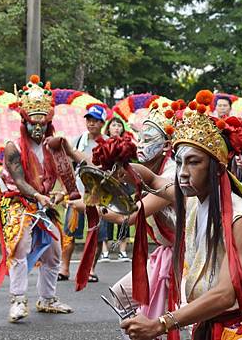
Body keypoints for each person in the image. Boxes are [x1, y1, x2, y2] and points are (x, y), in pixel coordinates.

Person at [117, 91, 242, 340]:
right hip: (206, 326)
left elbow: (224, 294)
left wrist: (161, 324)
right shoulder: (196, 202)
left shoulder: (240, 220)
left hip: (238, 331)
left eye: (194, 162)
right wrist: (127, 170)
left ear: (217, 168)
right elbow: (155, 180)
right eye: (179, 162)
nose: (183, 172)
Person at [0, 75, 83, 322]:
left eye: (42, 124)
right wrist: (40, 196)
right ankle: (18, 300)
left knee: (54, 251)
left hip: (43, 203)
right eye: (33, 124)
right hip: (17, 201)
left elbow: (66, 175)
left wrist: (61, 193)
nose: (38, 129)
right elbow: (19, 182)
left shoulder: (55, 145)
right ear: (24, 122)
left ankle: (47, 299)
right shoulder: (14, 147)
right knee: (20, 247)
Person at [98, 101, 180, 339]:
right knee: (122, 296)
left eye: (149, 140)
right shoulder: (145, 168)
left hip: (185, 257)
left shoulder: (171, 173)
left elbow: (132, 216)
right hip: (165, 253)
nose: (142, 145)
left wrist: (98, 209)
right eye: (140, 139)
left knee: (182, 318)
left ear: (166, 145)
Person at [58, 104, 108, 282]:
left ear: (102, 123)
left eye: (95, 120)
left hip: (100, 197)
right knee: (70, 232)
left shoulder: (108, 143)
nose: (91, 123)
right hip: (78, 193)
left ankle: (91, 269)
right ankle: (64, 268)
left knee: (97, 234)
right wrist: (65, 190)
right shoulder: (78, 141)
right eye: (89, 120)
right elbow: (69, 168)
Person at [98, 116, 131, 263]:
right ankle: (105, 250)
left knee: (125, 214)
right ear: (108, 128)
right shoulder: (103, 144)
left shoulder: (128, 144)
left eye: (119, 125)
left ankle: (122, 250)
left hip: (122, 184)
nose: (116, 128)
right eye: (114, 125)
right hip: (106, 184)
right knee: (105, 214)